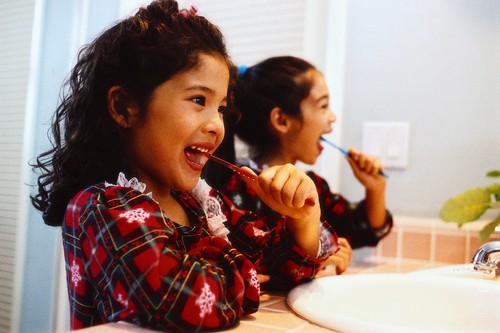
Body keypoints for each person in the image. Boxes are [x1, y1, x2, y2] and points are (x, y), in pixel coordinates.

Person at [30, 4, 338, 332]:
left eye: (221, 108)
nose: (217, 125)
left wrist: (303, 219)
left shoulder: (199, 203)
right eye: (198, 100)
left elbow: (282, 264)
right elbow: (183, 303)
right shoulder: (100, 207)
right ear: (125, 107)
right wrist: (247, 270)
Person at [205, 56, 393, 275]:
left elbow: (365, 229)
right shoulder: (237, 187)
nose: (332, 117)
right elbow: (249, 261)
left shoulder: (314, 188)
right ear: (282, 120)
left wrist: (375, 188)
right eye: (323, 106)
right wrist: (316, 257)